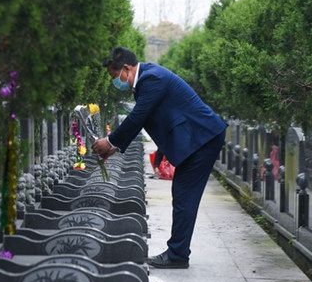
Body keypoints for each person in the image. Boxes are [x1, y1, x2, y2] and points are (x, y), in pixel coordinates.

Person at [92, 47, 226, 269]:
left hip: (203, 138)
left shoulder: (152, 78)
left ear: (126, 68)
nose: (117, 82)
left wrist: (110, 141)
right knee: (183, 195)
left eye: (116, 77)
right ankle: (178, 252)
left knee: (184, 196)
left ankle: (178, 255)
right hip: (200, 138)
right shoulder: (148, 79)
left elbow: (138, 117)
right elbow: (143, 119)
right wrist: (115, 147)